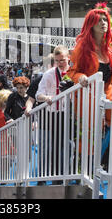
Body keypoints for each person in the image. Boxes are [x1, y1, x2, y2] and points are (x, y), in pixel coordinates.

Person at [66, 3, 112, 177]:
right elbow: (71, 72)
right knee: (89, 137)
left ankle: (107, 160)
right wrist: (80, 76)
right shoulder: (82, 47)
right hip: (88, 95)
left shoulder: (111, 48)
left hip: (109, 91)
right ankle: (85, 173)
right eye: (99, 21)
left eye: (105, 20)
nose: (103, 23)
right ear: (91, 24)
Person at [35, 45, 71, 184]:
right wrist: (47, 98)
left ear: (68, 58)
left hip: (67, 115)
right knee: (48, 147)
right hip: (50, 116)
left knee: (66, 146)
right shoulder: (49, 74)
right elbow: (39, 95)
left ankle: (61, 178)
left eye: (63, 60)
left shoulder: (74, 73)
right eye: (57, 61)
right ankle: (43, 178)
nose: (61, 63)